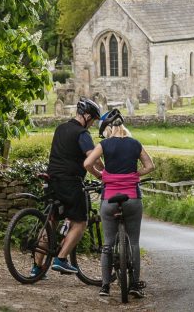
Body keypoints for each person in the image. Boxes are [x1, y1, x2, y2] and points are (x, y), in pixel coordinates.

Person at [83, 109, 155, 298]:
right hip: (132, 197)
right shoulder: (135, 144)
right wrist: (135, 175)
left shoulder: (104, 145)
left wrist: (101, 175)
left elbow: (87, 164)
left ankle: (105, 286)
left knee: (108, 243)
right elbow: (150, 166)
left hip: (110, 198)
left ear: (108, 130)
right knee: (134, 242)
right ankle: (134, 286)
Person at [38, 96, 104, 278]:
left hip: (52, 179)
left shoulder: (60, 129)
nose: (91, 124)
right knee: (80, 223)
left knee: (50, 223)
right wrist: (104, 174)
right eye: (93, 120)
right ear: (87, 116)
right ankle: (60, 259)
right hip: (70, 182)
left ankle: (36, 269)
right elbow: (93, 158)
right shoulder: (82, 134)